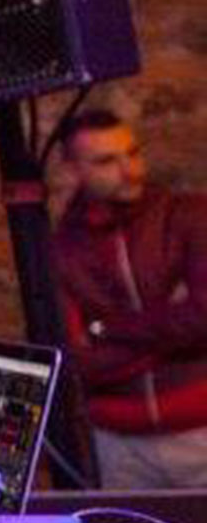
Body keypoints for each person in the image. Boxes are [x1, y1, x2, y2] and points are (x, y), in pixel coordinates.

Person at [52, 109, 207, 489]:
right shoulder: (63, 246)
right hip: (119, 444)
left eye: (133, 153)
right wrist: (173, 333)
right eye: (106, 161)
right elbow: (78, 360)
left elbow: (203, 317)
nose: (130, 170)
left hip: (199, 428)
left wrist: (105, 329)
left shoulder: (187, 217)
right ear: (73, 171)